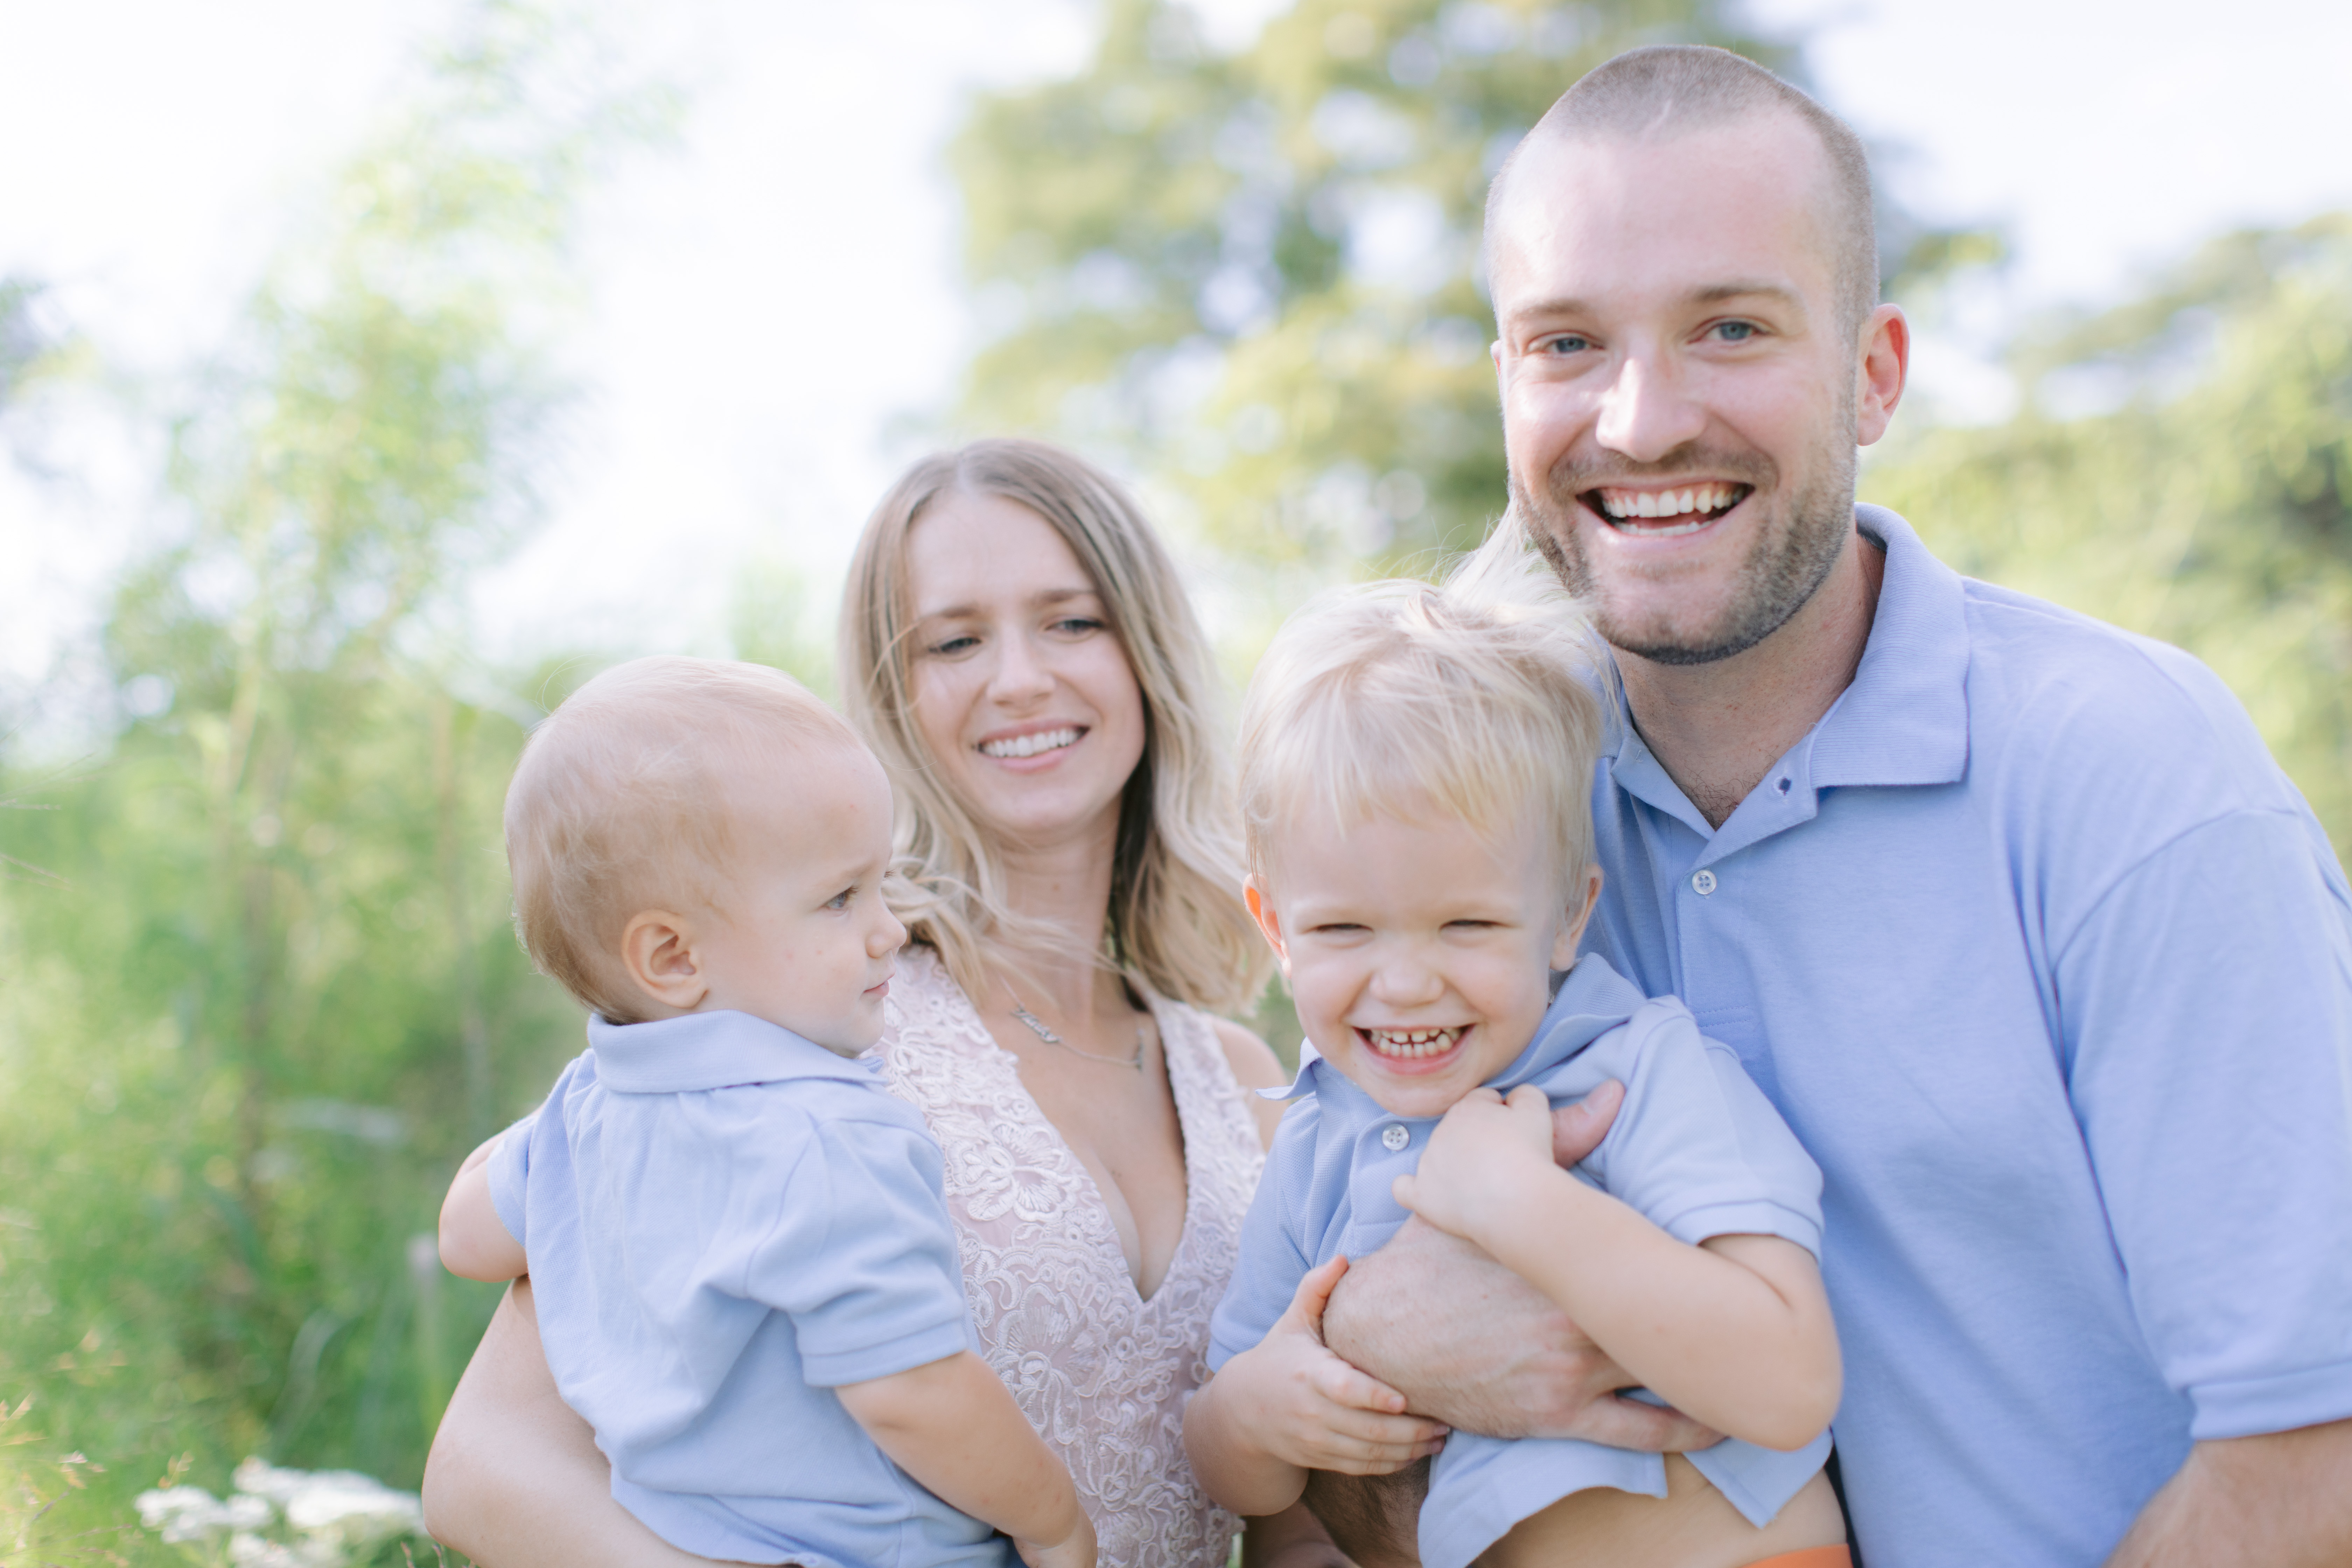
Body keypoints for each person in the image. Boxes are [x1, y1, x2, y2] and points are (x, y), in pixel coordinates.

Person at [1304, 44, 2352, 1568]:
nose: (1643, 420)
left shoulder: (2133, 776)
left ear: (1875, 371)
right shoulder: (1476, 801)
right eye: (1568, 344)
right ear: (1505, 383)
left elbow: (2312, 1449)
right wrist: (1380, 1352)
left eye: (1730, 327)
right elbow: (1322, 1478)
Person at [421, 441, 1345, 1568]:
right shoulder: (791, 1032)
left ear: (1145, 651)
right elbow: (486, 1471)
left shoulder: (1247, 1075)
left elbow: (1292, 1529)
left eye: (1072, 622)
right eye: (955, 641)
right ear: (891, 698)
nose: (1019, 679)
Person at [1184, 569, 1848, 1568]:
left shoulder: (1638, 1072)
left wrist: (1518, 1202)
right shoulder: (1316, 1133)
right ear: (1276, 926)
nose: (1404, 984)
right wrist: (1252, 1414)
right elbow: (1241, 1480)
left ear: (1568, 915)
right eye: (1345, 928)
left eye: (1467, 924)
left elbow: (1790, 1384)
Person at [435, 656, 1093, 1568]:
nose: (888, 930)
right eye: (840, 898)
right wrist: (1054, 1517)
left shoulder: (586, 1109)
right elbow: (910, 1390)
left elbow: (468, 1241)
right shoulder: (829, 1135)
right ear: (671, 957)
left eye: (881, 884)